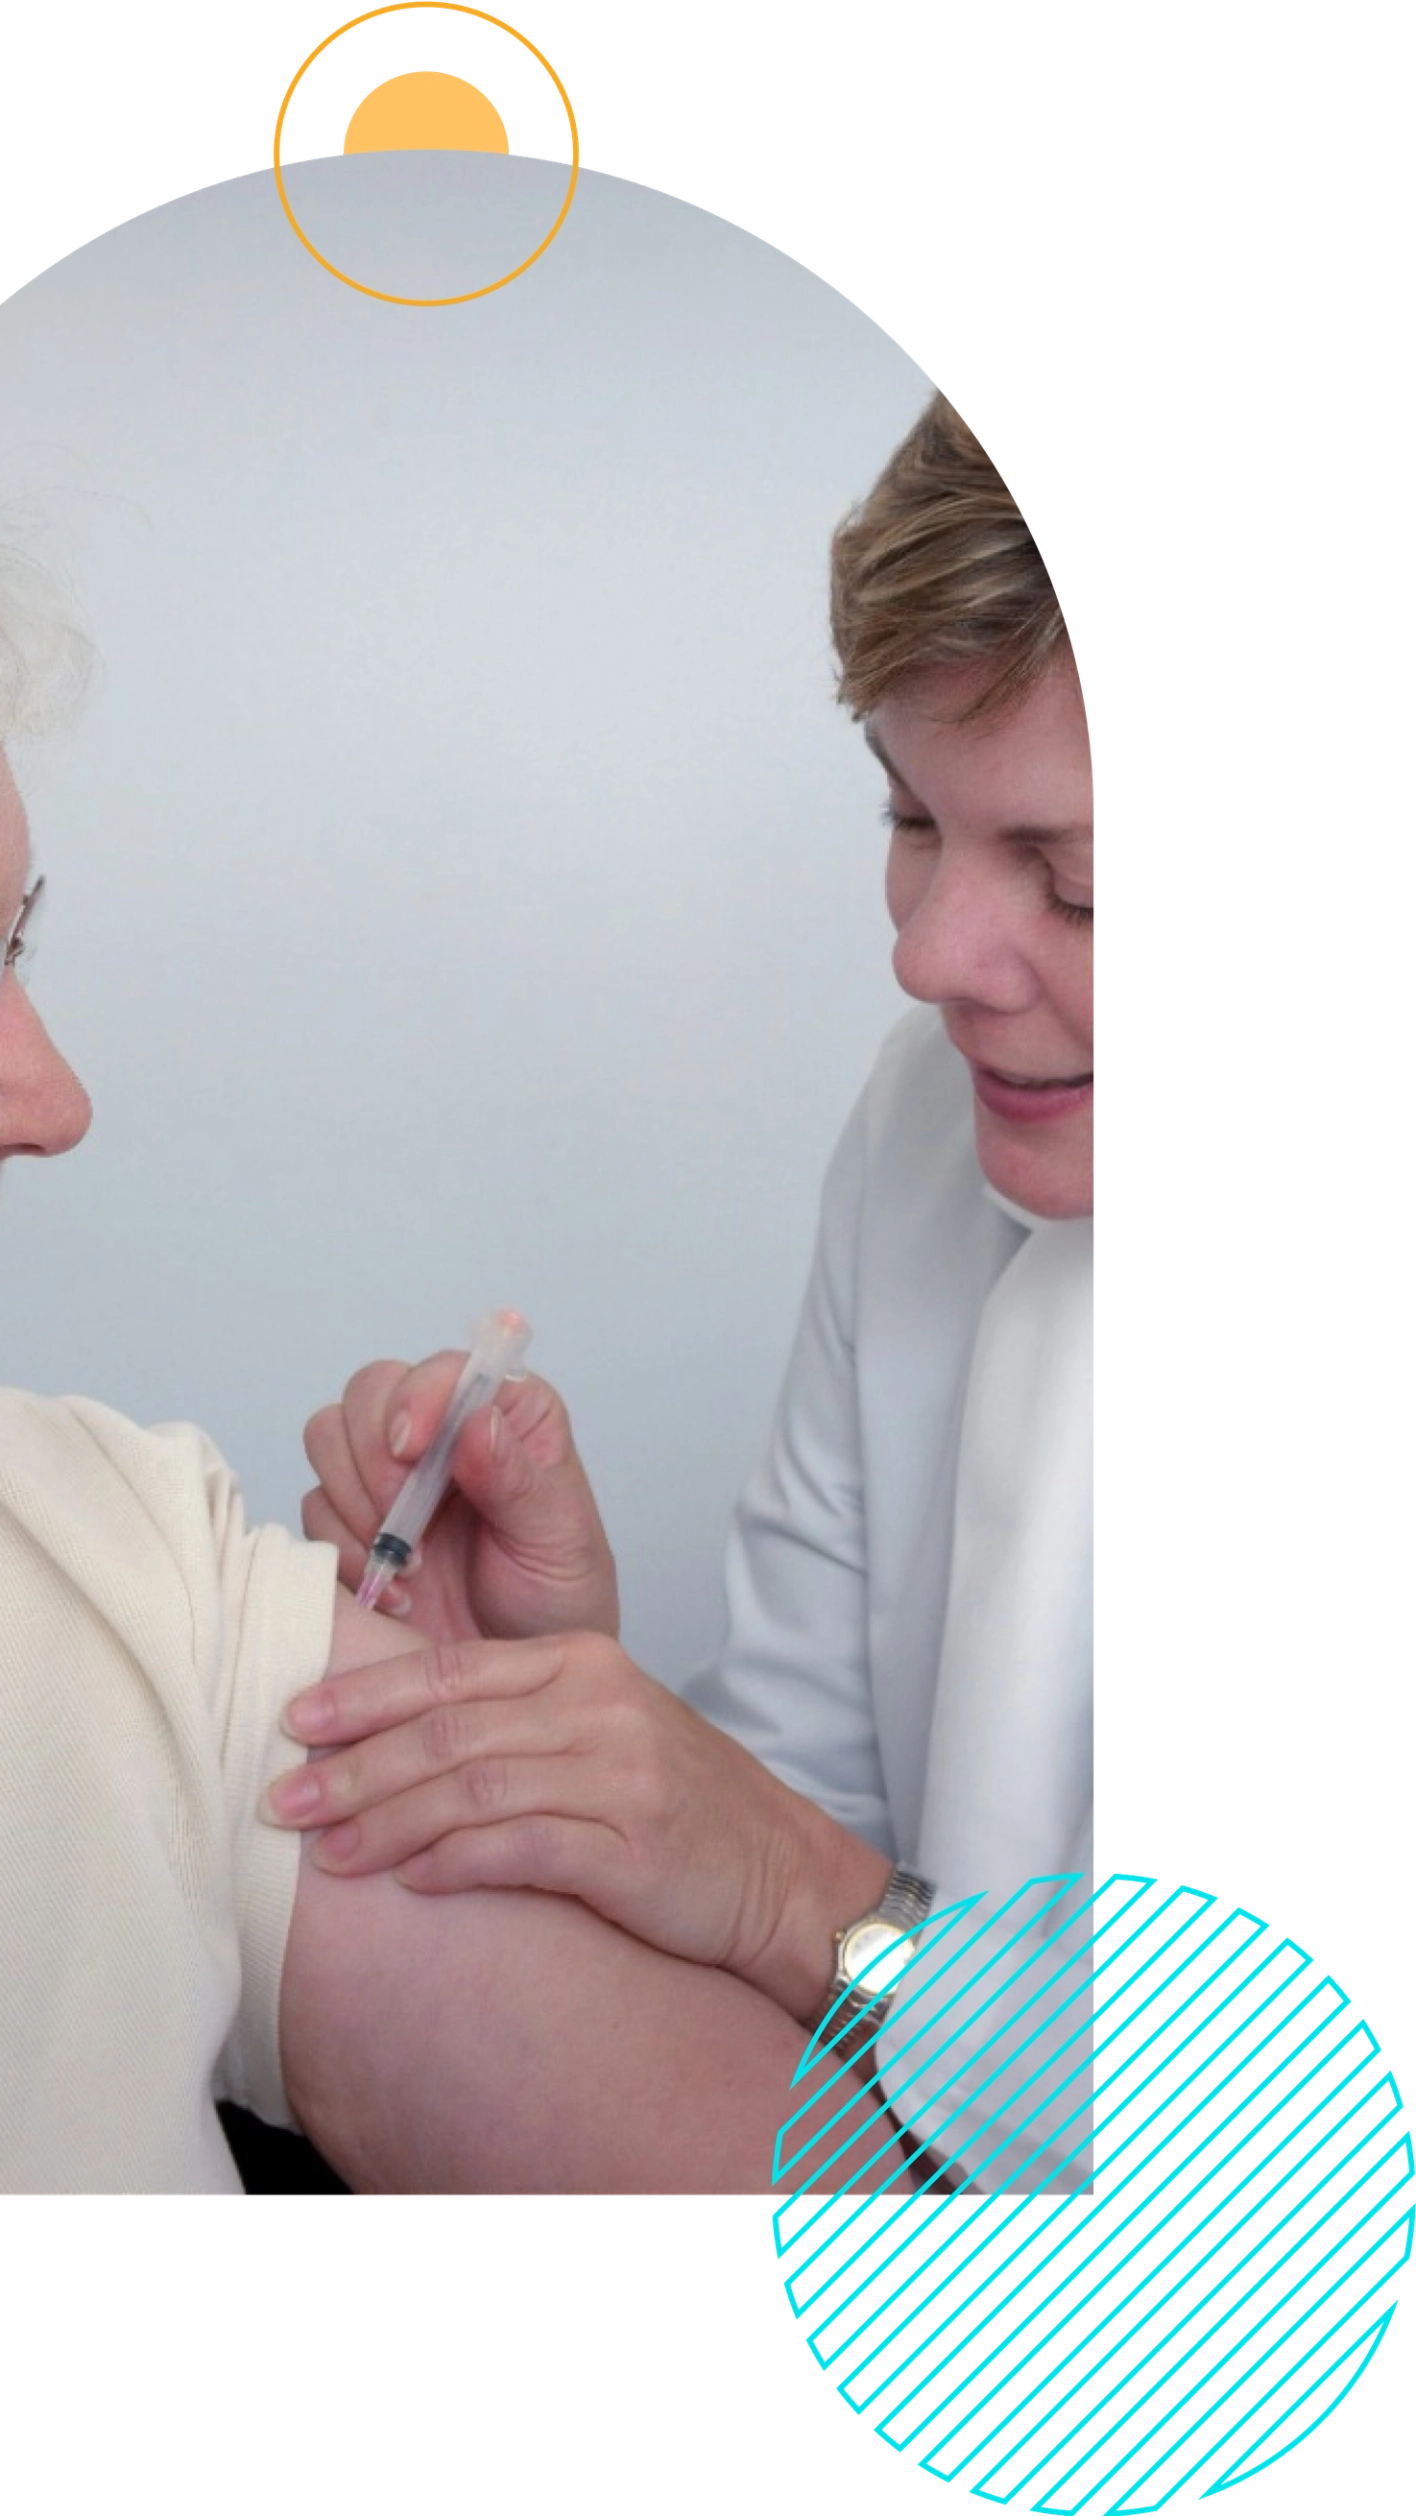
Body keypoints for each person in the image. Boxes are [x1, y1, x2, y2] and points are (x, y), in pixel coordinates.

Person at [0, 470, 945, 2200]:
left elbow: (985, 2329)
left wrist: (765, 1870)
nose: (51, 1097)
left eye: (12, 956)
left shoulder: (106, 1555)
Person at [281, 394, 1097, 2195]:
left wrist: (792, 1889)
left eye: (1075, 879)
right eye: (913, 819)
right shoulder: (929, 1136)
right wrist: (561, 1723)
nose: (930, 953)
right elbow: (796, 1914)